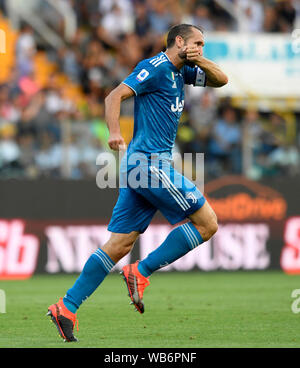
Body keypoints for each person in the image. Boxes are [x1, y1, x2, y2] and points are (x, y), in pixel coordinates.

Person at [47, 24, 228, 342]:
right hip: (149, 164)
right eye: (198, 43)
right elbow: (114, 95)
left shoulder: (181, 72)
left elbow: (221, 80)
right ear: (180, 41)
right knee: (208, 223)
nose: (202, 48)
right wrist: (115, 131)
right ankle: (140, 272)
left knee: (119, 245)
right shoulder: (155, 67)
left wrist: (197, 59)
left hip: (140, 169)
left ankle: (67, 306)